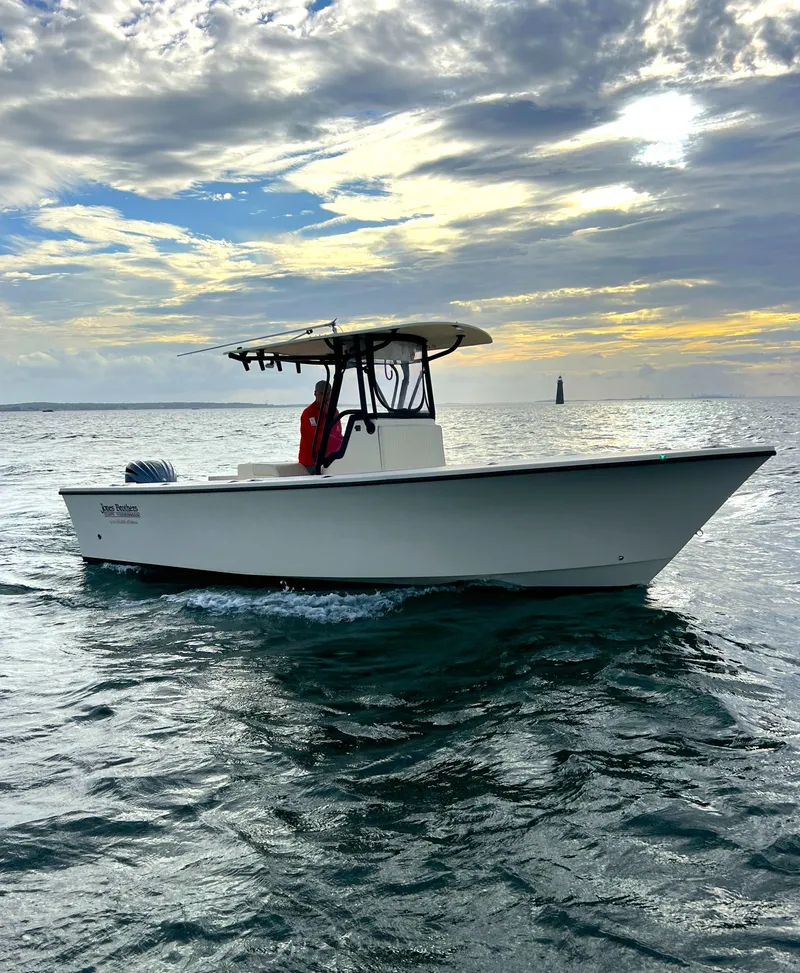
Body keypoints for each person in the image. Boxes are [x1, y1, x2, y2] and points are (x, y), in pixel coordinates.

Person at [299, 380, 343, 473]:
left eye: (327, 394)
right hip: (312, 462)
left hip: (331, 460)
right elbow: (320, 436)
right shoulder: (308, 413)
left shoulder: (334, 411)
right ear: (315, 393)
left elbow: (338, 434)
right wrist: (327, 417)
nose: (325, 397)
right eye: (321, 393)